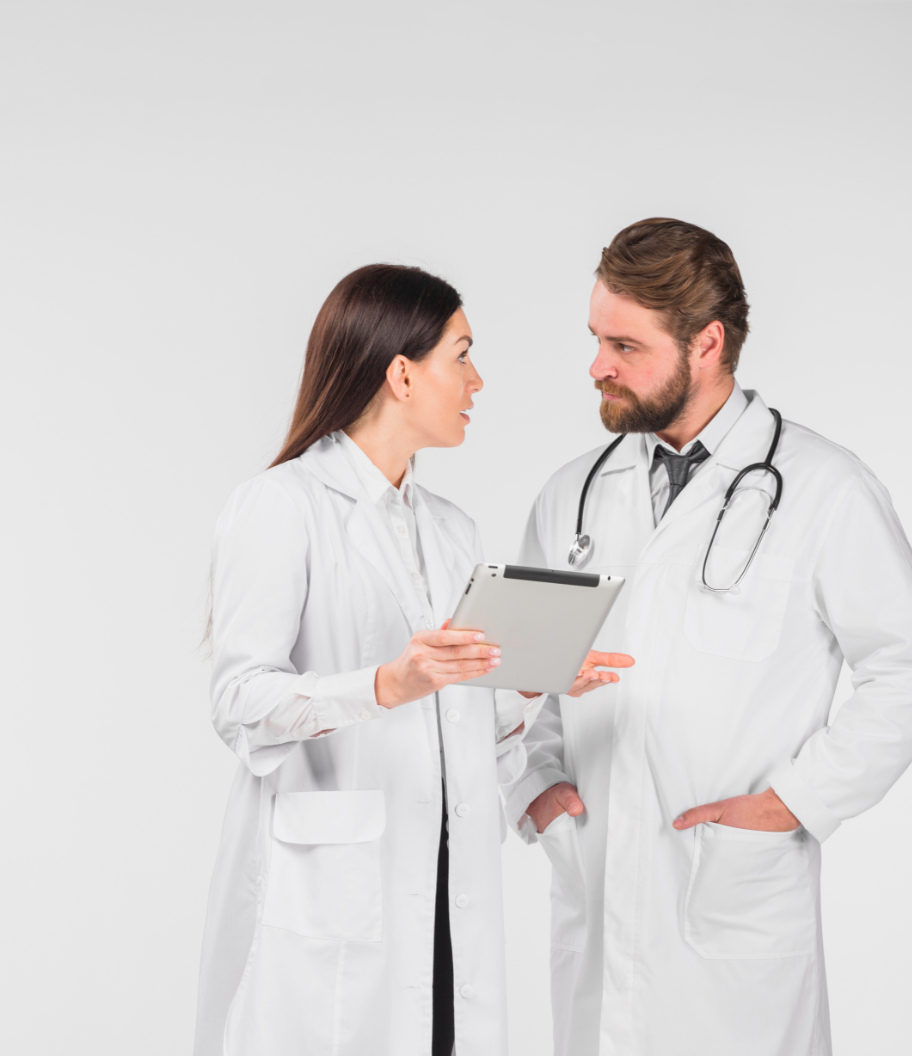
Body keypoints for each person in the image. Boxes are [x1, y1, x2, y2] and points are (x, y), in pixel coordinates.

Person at [502, 219, 912, 1056]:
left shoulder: (825, 488)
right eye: (596, 339)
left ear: (706, 342)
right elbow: (519, 676)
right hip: (598, 891)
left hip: (734, 897)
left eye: (624, 345)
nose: (596, 366)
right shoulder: (571, 496)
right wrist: (533, 784)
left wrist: (794, 802)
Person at [193, 264, 632, 1056]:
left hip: (444, 886)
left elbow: (459, 724)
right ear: (401, 373)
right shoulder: (281, 507)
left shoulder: (451, 530)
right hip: (334, 893)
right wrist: (384, 685)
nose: (479, 380)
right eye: (461, 356)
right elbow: (239, 701)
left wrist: (533, 678)